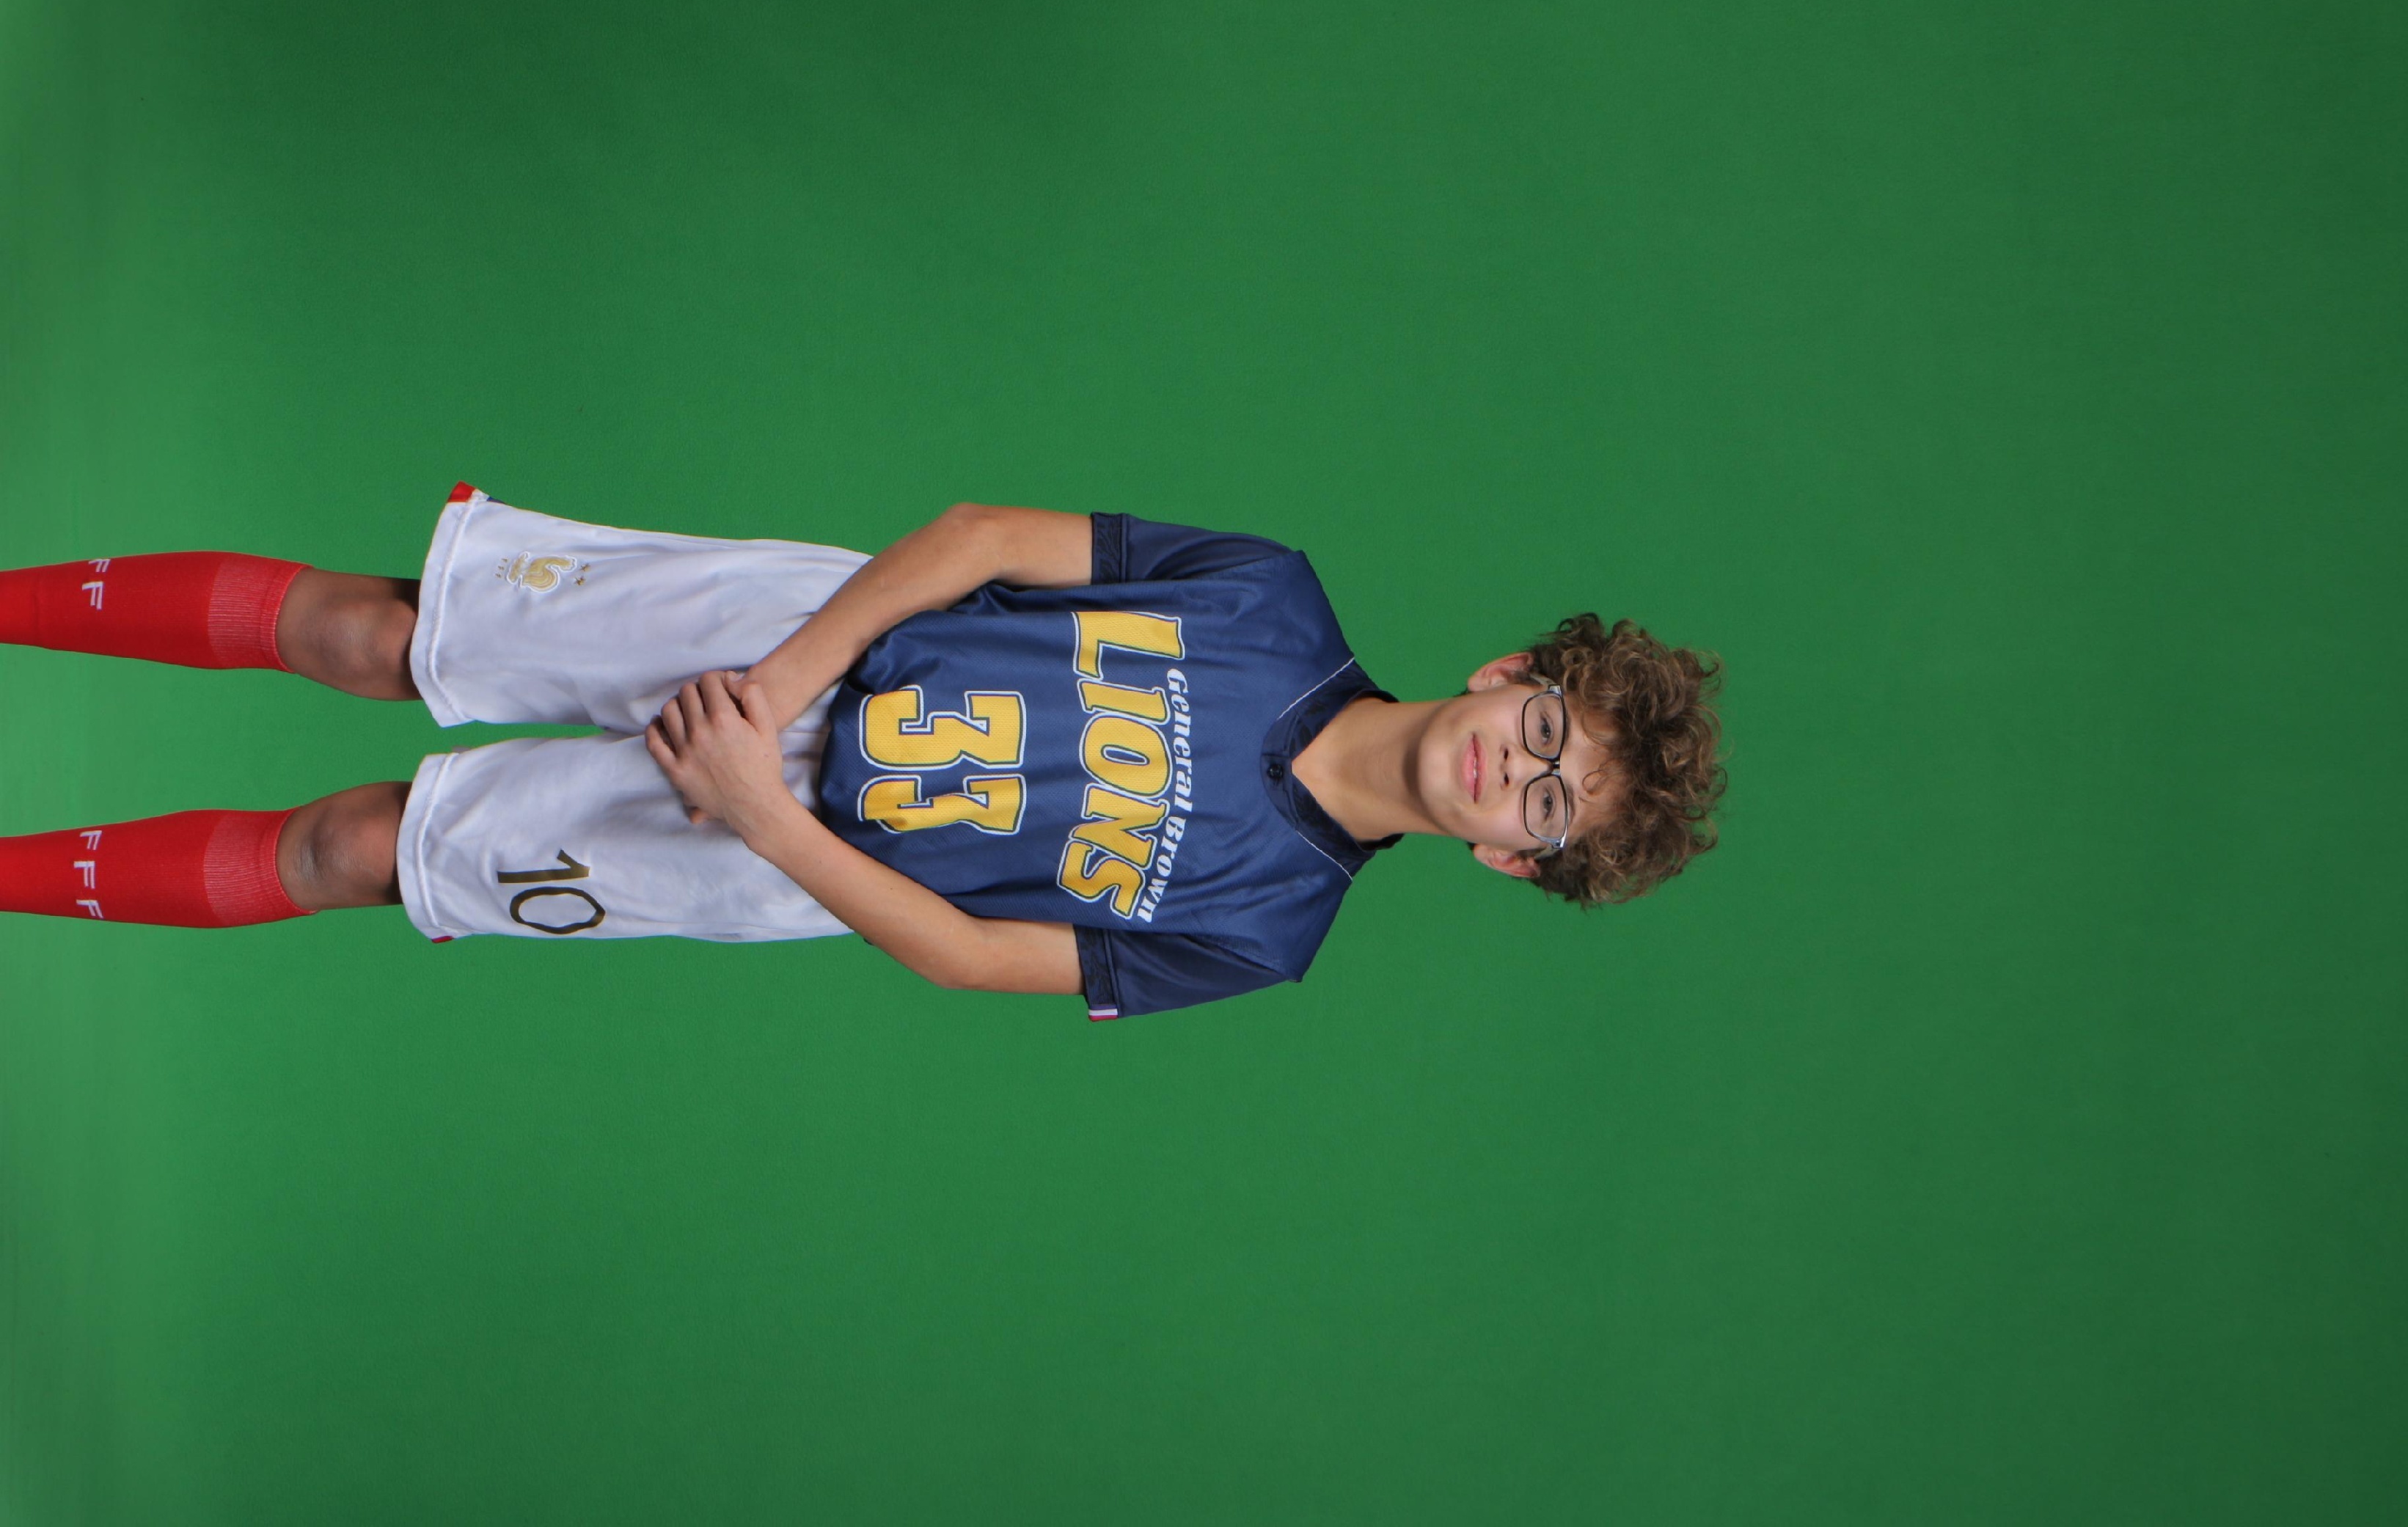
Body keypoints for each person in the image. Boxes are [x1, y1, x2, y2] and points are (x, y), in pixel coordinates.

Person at [0, 486, 1725, 1019]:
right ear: (1510, 675)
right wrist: (775, 687)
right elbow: (982, 538)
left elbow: (975, 954)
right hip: (789, 633)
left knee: (352, 853)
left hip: (774, 850)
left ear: (1513, 857)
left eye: (1547, 805)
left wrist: (759, 807)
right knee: (375, 635)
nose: (1514, 771)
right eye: (1544, 730)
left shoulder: (1266, 929)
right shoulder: (1268, 598)